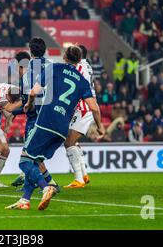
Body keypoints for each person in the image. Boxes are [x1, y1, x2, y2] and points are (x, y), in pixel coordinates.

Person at [6, 46, 105, 211]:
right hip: (62, 128)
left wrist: (29, 105)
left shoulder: (55, 68)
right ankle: (25, 200)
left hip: (46, 120)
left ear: (65, 57)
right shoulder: (82, 81)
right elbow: (94, 108)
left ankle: (46, 186)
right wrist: (100, 127)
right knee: (36, 160)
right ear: (79, 61)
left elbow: (33, 93)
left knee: (24, 161)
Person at [10, 41, 58, 191]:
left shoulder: (29, 71)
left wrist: (14, 111)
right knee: (34, 154)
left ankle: (45, 184)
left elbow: (27, 99)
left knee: (28, 154)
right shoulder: (53, 66)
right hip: (53, 114)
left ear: (30, 52)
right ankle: (46, 183)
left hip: (36, 117)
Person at [64, 45, 98, 188]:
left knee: (69, 142)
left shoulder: (78, 68)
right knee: (72, 141)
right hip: (86, 105)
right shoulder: (87, 65)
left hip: (83, 107)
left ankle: (78, 179)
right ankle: (83, 174)